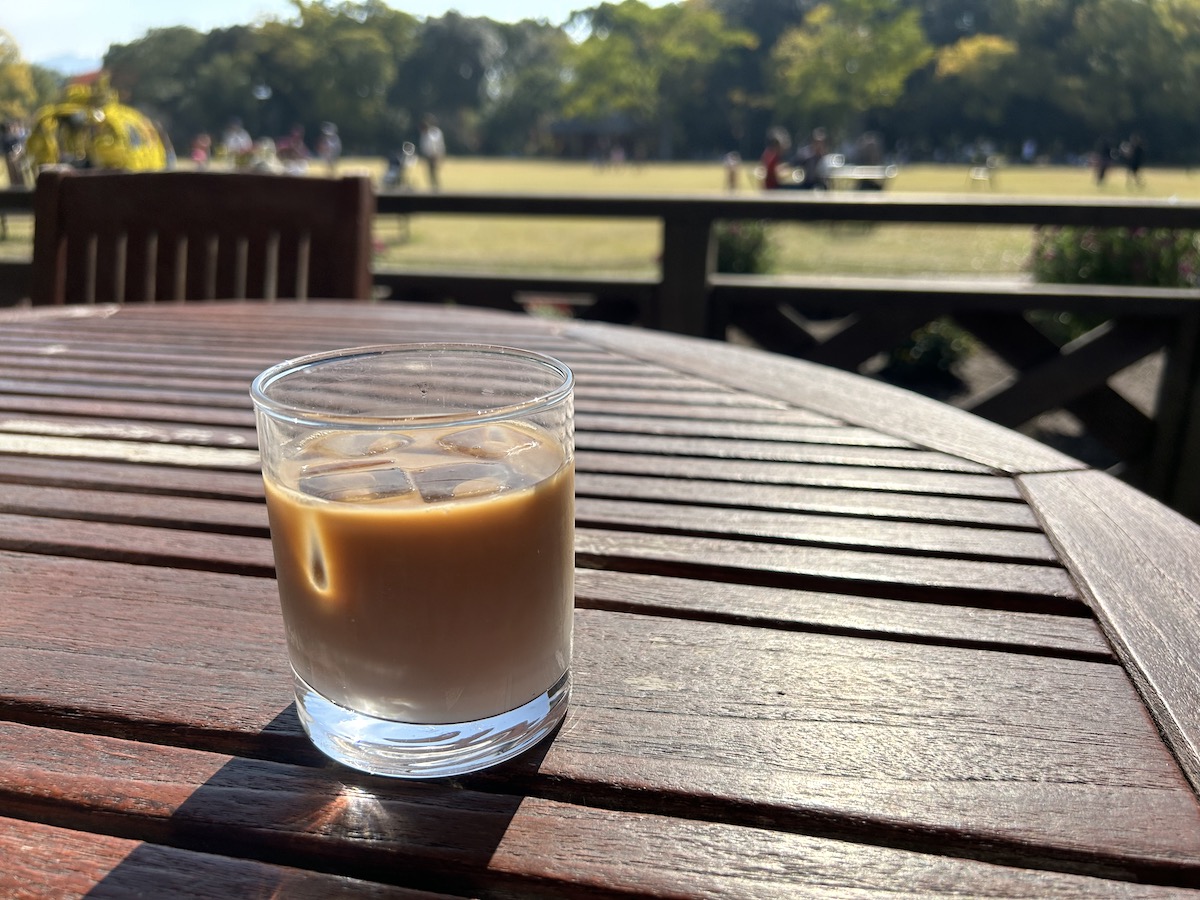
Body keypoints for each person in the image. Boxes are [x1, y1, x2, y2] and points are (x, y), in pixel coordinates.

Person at [419, 115, 445, 190]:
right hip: (428, 156)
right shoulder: (424, 135)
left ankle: (435, 186)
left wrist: (435, 156)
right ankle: (433, 186)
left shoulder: (431, 135)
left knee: (433, 172)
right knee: (430, 172)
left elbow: (433, 147)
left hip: (432, 156)